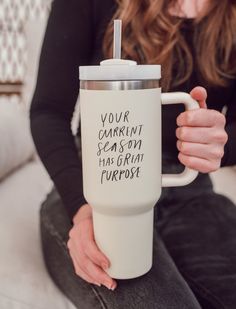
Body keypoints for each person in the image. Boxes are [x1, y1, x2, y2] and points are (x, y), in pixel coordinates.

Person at [30, 0, 236, 308]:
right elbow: (48, 113)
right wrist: (84, 208)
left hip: (191, 191)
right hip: (94, 182)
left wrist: (220, 141)